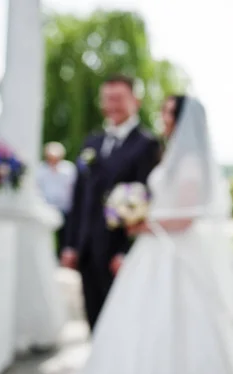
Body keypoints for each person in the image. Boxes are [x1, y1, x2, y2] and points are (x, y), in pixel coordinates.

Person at [68, 96, 233, 374]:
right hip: (153, 249)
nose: (162, 116)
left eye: (167, 112)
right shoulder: (170, 156)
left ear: (180, 119)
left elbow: (186, 217)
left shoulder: (191, 161)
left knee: (178, 323)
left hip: (175, 252)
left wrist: (144, 224)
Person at [61, 74, 162, 330]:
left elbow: (150, 201)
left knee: (122, 325)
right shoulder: (91, 142)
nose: (112, 105)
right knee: (93, 322)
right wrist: (71, 244)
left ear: (135, 101)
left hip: (117, 253)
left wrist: (127, 251)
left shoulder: (147, 144)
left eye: (118, 98)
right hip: (86, 249)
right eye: (107, 99)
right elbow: (79, 196)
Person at [36, 141, 76, 258]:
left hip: (65, 209)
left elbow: (72, 189)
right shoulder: (40, 169)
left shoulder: (68, 169)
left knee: (65, 237)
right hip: (46, 208)